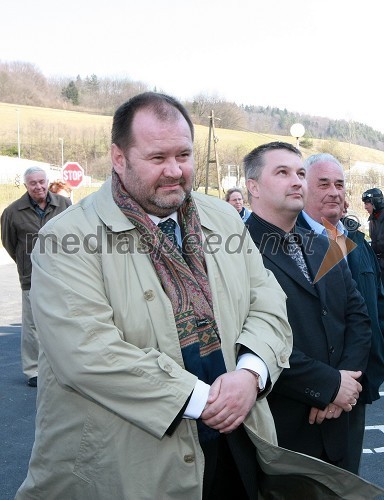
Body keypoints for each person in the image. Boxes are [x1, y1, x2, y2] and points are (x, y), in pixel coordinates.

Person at [16, 96, 384, 500]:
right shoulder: (64, 239)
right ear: (118, 158)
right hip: (134, 465)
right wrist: (203, 400)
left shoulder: (223, 219)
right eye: (157, 157)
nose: (174, 170)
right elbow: (86, 353)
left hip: (240, 448)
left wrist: (251, 374)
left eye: (184, 155)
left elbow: (268, 305)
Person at [244, 142, 372, 473]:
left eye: (300, 173)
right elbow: (245, 338)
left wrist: (346, 381)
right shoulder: (237, 251)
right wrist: (329, 385)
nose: (297, 181)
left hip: (339, 420)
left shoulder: (324, 243)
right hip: (282, 428)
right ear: (253, 186)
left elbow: (357, 317)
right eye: (282, 172)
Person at [297, 153, 384, 474]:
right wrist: (328, 387)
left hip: (357, 389)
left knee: (347, 483)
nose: (334, 191)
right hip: (310, 401)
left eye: (339, 184)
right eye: (324, 184)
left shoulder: (356, 244)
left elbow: (374, 310)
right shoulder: (286, 244)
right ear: (302, 188)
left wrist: (365, 375)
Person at [1, 166, 71, 387]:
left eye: (42, 181)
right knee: (32, 325)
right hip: (31, 276)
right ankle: (33, 370)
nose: (38, 186)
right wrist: (25, 262)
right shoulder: (12, 212)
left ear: (46, 181)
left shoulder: (64, 205)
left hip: (62, 274)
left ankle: (64, 366)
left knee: (64, 320)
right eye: (33, 183)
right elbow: (9, 243)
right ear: (26, 186)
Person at [362, 187, 384, 281]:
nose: (365, 207)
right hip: (378, 264)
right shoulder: (373, 219)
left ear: (376, 202)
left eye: (367, 203)